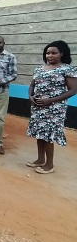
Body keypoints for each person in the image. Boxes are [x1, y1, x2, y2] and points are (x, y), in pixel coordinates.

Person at [26, 41, 77, 174]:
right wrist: (31, 96)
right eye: (48, 53)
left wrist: (51, 100)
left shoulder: (67, 69)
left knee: (49, 135)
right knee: (39, 133)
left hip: (54, 109)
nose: (50, 55)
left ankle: (49, 165)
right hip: (38, 107)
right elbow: (32, 84)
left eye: (54, 53)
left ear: (61, 54)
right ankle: (40, 159)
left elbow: (73, 90)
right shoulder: (39, 69)